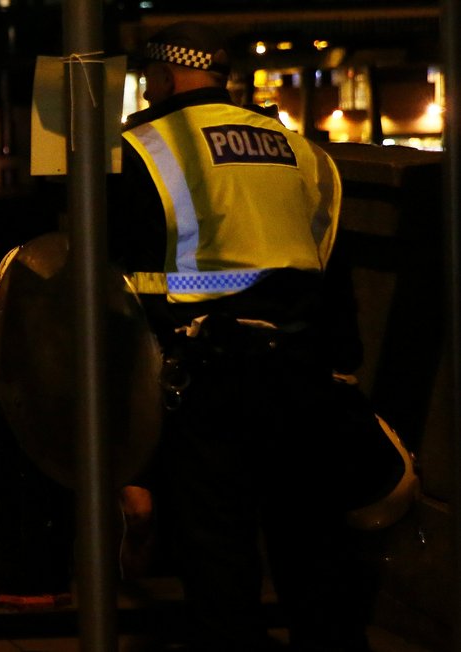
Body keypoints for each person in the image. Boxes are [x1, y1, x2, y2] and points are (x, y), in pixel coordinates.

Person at [109, 21, 371, 651]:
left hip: (209, 378)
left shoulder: (143, 147)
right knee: (314, 551)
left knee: (218, 554)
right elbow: (332, 270)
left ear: (164, 77)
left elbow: (118, 283)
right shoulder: (303, 152)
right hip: (305, 374)